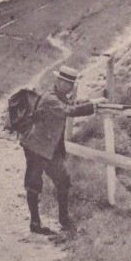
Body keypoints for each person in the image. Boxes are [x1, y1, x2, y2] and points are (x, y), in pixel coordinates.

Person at [19, 66, 103, 235]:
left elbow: (71, 104)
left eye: (72, 84)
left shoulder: (60, 96)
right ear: (59, 82)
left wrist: (93, 100)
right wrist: (93, 105)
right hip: (36, 147)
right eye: (68, 83)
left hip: (51, 149)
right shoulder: (50, 98)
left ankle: (64, 219)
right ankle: (35, 223)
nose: (71, 87)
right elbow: (70, 111)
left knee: (63, 180)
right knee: (34, 184)